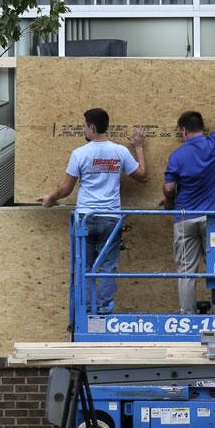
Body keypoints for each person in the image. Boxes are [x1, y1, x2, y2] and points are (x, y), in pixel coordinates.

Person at [37, 108, 148, 314]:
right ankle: (105, 309)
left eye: (84, 126)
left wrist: (50, 199)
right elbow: (142, 176)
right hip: (110, 219)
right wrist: (139, 147)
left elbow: (66, 189)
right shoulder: (120, 152)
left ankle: (88, 310)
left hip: (85, 218)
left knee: (85, 268)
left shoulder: (80, 154)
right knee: (107, 267)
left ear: (92, 127)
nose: (83, 129)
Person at [162, 62, 215, 314]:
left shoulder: (176, 157)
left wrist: (169, 205)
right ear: (202, 128)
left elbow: (169, 188)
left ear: (183, 132)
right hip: (214, 218)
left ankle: (188, 316)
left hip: (185, 218)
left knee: (186, 270)